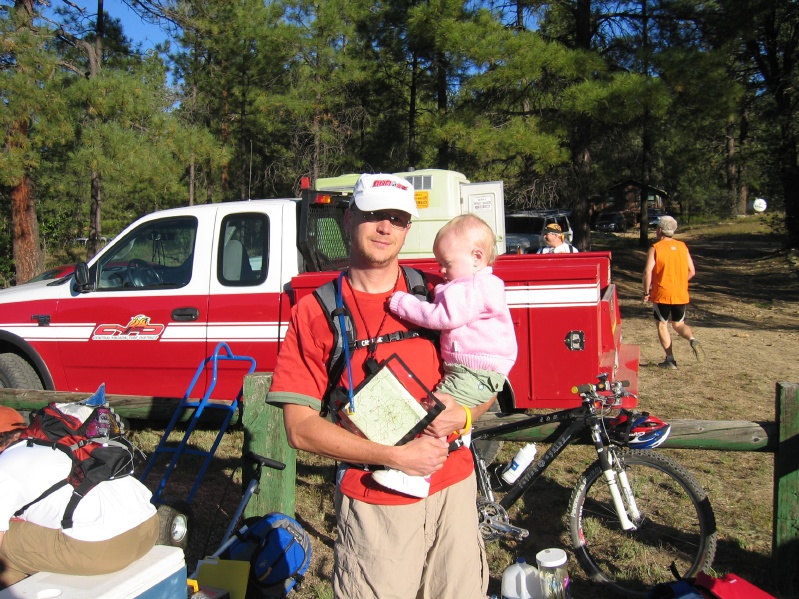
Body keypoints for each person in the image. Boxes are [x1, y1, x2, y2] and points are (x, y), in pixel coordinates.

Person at [266, 173, 491, 599]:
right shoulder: (317, 312)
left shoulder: (440, 293)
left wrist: (461, 415)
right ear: (349, 218)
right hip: (376, 500)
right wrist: (396, 456)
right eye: (373, 215)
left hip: (455, 492)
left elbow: (488, 373)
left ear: (408, 228)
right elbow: (298, 427)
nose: (385, 227)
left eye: (397, 218)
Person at [374, 213, 517, 497]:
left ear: (476, 256)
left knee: (434, 414)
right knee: (444, 414)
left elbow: (443, 317)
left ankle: (416, 475)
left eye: (446, 264)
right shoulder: (477, 284)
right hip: (476, 371)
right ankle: (451, 449)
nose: (441, 270)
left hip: (473, 372)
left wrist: (403, 303)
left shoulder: (473, 286)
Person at [0, 405, 159, 588]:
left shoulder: (5, 466)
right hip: (149, 528)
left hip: (104, 549)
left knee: (6, 548)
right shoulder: (55, 443)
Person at [642, 215, 705, 369]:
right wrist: (680, 281)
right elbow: (692, 271)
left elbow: (647, 272)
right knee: (678, 324)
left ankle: (670, 360)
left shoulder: (655, 248)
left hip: (662, 293)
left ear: (660, 230)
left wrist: (646, 292)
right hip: (680, 292)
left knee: (662, 325)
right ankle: (691, 339)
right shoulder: (683, 246)